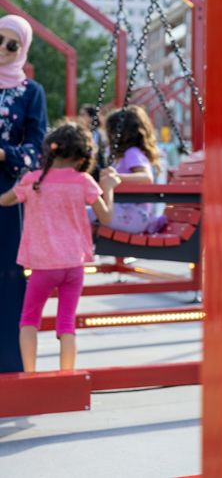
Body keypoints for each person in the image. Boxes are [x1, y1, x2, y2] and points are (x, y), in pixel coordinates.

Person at [0, 122, 119, 372]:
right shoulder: (84, 181)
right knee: (66, 323)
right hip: (74, 265)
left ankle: (31, 374)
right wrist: (108, 188)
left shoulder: (33, 181)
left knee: (29, 321)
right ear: (80, 155)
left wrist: (21, 183)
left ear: (49, 151)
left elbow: (4, 202)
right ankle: (67, 375)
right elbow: (106, 216)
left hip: (43, 266)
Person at [0, 15, 47, 374]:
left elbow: (36, 147)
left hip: (8, 192)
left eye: (11, 44)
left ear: (22, 50)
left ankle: (9, 365)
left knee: (10, 274)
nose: (2, 49)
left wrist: (6, 154)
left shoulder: (32, 92)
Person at [101, 106, 166, 234]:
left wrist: (117, 177)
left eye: (110, 131)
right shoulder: (123, 156)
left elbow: (146, 178)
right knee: (88, 211)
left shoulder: (132, 153)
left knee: (86, 212)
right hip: (127, 213)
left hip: (134, 215)